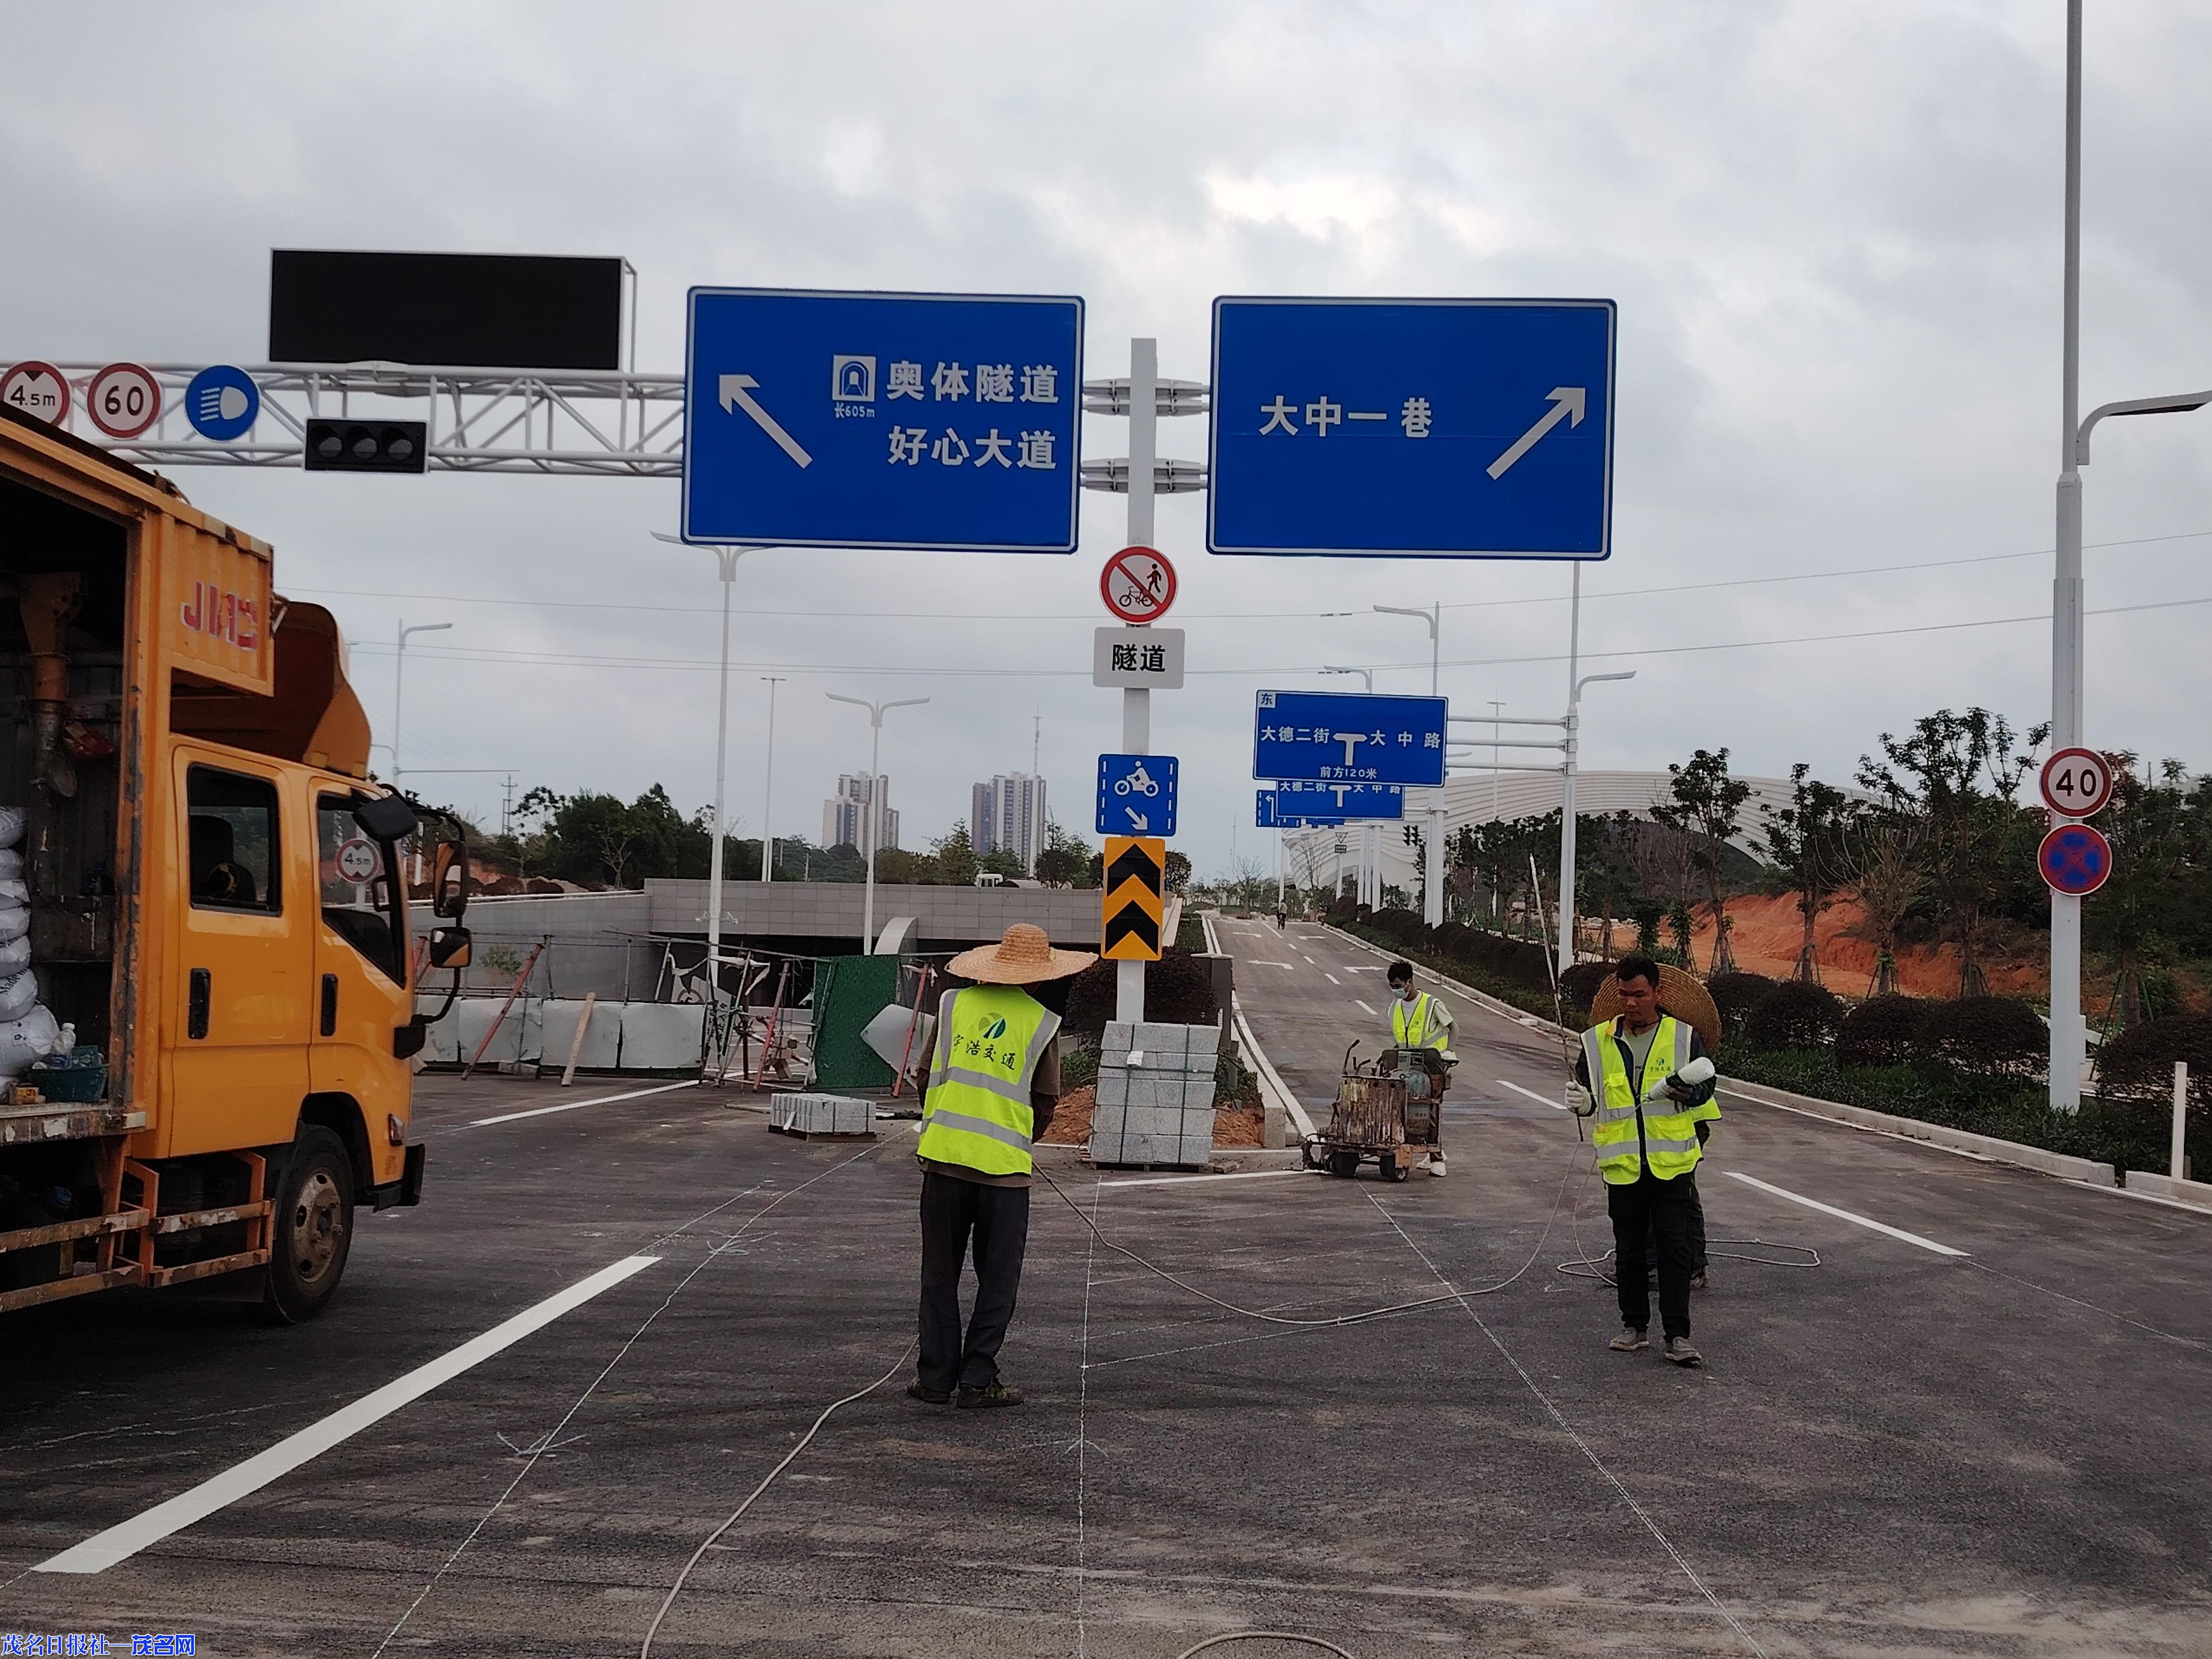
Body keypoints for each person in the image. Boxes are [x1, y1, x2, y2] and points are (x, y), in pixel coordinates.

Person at [910, 922, 1094, 1410]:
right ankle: (977, 1378)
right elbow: (1046, 1102)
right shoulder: (1041, 1023)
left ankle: (934, 1380)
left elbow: (925, 1076)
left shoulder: (952, 1006)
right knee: (998, 1280)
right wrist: (1016, 1139)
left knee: (938, 1276)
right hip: (1004, 1176)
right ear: (1037, 977)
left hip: (944, 1163)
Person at [1571, 953, 1715, 1366]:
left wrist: (1690, 1093)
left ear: (1658, 992)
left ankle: (1677, 1336)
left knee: (1674, 1250)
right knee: (1629, 1251)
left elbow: (1708, 1088)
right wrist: (1582, 1105)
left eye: (1639, 995)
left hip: (1671, 1165)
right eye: (1624, 995)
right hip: (1623, 1166)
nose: (1631, 1003)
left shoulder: (1684, 1038)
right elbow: (1589, 1094)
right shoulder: (1596, 1042)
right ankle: (1633, 1326)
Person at [1386, 959, 1454, 1177]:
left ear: (1409, 982)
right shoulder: (1394, 1007)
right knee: (1403, 1110)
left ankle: (1437, 1158)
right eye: (1392, 987)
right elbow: (1401, 1037)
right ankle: (1417, 1150)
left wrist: (1448, 1053)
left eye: (1398, 986)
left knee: (1429, 1109)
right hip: (1407, 1064)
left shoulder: (1431, 1004)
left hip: (1431, 1064)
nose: (1396, 990)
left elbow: (1453, 1028)